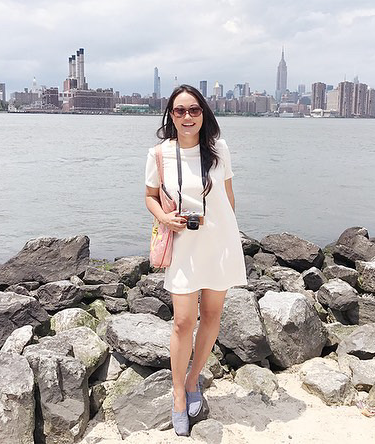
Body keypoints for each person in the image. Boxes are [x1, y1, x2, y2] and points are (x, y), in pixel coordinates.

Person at [144, 84, 247, 436]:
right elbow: (149, 196)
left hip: (218, 242)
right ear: (170, 116)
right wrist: (164, 218)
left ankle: (192, 381)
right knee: (183, 321)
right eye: (179, 111)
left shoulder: (219, 149)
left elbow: (228, 197)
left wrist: (229, 239)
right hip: (184, 245)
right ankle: (177, 395)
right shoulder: (159, 154)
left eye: (194, 110)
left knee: (213, 315)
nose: (187, 117)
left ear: (204, 113)